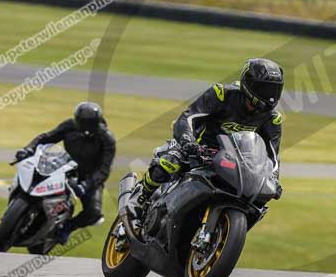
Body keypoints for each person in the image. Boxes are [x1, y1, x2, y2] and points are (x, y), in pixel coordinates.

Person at [127, 58, 284, 225]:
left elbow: (272, 157)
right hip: (198, 149)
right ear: (249, 83)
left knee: (258, 200)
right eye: (265, 88)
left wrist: (273, 179)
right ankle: (140, 197)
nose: (270, 96)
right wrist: (188, 142)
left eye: (274, 90)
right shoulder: (222, 94)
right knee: (169, 162)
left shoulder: (272, 119)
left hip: (235, 163)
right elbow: (188, 117)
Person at [16, 101, 116, 241]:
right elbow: (46, 137)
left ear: (98, 122)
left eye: (90, 123)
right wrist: (29, 148)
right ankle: (21, 205)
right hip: (65, 168)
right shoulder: (69, 126)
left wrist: (86, 185)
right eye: (83, 122)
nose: (86, 127)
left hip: (91, 177)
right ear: (77, 120)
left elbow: (104, 169)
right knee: (34, 175)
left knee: (94, 212)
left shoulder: (107, 139)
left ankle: (67, 227)